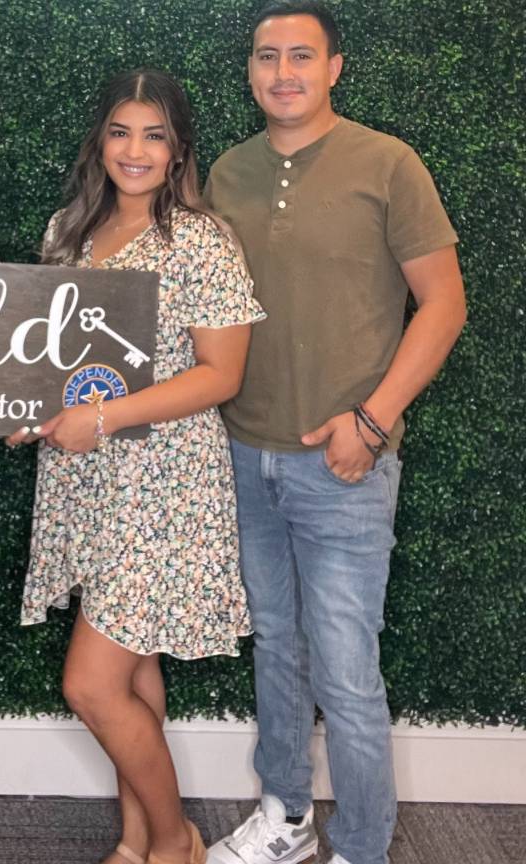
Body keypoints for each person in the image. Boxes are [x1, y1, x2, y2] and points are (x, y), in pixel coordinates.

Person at [202, 3, 466, 864]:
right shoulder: (226, 174)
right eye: (267, 56)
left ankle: (361, 848)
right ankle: (286, 818)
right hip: (244, 455)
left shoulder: (388, 164)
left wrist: (372, 421)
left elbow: (444, 305)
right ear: (251, 69)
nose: (283, 72)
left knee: (348, 676)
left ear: (334, 68)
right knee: (277, 649)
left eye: (301, 56)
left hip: (345, 466)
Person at [8, 70, 266, 864]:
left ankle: (174, 840)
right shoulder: (68, 232)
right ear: (100, 141)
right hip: (86, 479)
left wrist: (102, 417)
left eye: (154, 136)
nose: (135, 150)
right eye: (121, 131)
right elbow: (49, 356)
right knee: (133, 663)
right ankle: (136, 841)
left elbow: (221, 376)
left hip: (164, 485)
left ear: (179, 150)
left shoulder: (200, 240)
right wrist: (24, 408)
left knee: (90, 684)